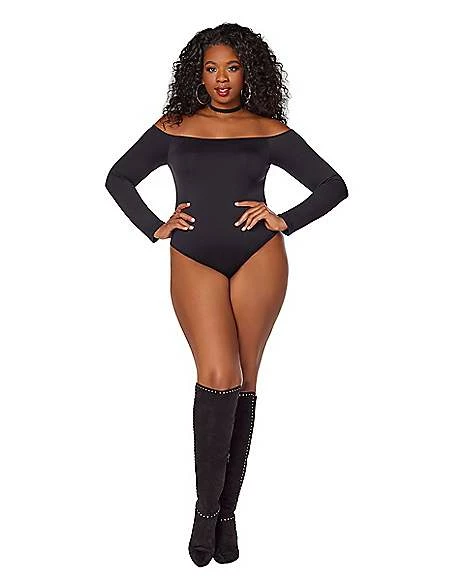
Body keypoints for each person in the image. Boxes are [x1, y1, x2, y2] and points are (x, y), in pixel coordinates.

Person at [104, 22, 348, 567]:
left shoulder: (267, 128)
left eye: (232, 68)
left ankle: (228, 514)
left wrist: (284, 219)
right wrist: (154, 226)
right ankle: (205, 511)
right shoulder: (172, 127)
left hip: (259, 256)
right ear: (197, 74)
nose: (221, 79)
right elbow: (119, 178)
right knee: (218, 373)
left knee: (246, 378)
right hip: (194, 255)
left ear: (247, 72)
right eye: (211, 68)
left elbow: (333, 185)